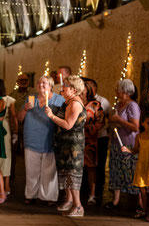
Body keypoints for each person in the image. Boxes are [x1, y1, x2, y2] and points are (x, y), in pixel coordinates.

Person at [45, 75, 87, 217]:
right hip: (64, 144)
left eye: (66, 86)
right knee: (65, 173)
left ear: (74, 90)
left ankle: (78, 206)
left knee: (72, 174)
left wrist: (51, 116)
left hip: (72, 146)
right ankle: (69, 201)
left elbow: (68, 125)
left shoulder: (75, 104)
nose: (63, 88)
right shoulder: (68, 101)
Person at [19, 75, 64, 204]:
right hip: (32, 139)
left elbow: (64, 119)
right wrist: (25, 109)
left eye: (44, 83)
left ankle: (48, 197)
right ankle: (31, 195)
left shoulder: (58, 100)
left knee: (49, 172)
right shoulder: (31, 98)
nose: (40, 85)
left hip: (50, 139)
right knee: (31, 171)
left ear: (50, 86)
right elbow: (19, 118)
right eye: (39, 83)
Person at [105, 79, 141, 210]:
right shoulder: (118, 105)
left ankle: (137, 202)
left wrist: (119, 119)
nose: (116, 91)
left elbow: (135, 127)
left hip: (129, 143)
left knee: (129, 171)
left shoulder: (132, 106)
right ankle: (115, 200)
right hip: (116, 142)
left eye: (117, 89)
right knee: (116, 170)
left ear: (125, 91)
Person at [121, 115, 149, 221]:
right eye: (148, 123)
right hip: (142, 164)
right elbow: (135, 150)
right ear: (143, 124)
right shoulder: (139, 136)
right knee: (142, 189)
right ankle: (144, 210)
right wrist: (127, 150)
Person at [82, 80, 104, 206]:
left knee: (91, 167)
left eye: (83, 89)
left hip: (90, 139)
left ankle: (92, 194)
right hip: (76, 139)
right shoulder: (76, 103)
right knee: (76, 167)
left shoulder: (95, 104)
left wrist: (93, 128)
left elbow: (101, 121)